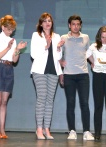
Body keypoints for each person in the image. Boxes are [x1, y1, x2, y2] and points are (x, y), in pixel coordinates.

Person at [0, 15, 27, 139]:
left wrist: (17, 50)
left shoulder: (13, 41)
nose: (11, 31)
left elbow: (14, 60)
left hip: (9, 69)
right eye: (9, 29)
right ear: (3, 27)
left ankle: (2, 130)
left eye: (12, 29)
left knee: (4, 102)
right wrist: (8, 47)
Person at [59, 15, 94, 140]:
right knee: (71, 103)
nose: (76, 26)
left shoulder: (85, 38)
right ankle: (72, 131)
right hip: (69, 75)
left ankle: (86, 131)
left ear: (80, 25)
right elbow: (57, 54)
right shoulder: (63, 38)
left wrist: (94, 63)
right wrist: (60, 69)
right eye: (73, 24)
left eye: (78, 24)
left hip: (83, 74)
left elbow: (88, 53)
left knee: (84, 103)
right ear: (69, 25)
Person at [30, 12, 64, 140]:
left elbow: (59, 58)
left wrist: (59, 48)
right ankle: (39, 129)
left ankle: (47, 129)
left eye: (49, 20)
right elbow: (33, 54)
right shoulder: (36, 35)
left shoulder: (56, 36)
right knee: (42, 98)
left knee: (50, 100)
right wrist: (47, 46)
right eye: (44, 21)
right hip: (39, 70)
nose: (47, 23)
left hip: (53, 70)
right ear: (40, 24)